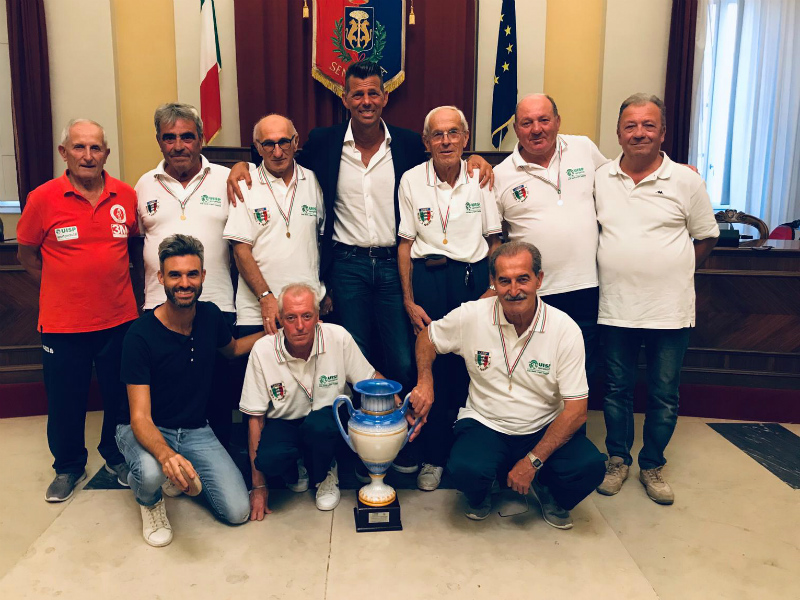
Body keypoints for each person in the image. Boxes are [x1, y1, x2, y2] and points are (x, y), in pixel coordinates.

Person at [226, 62, 493, 408]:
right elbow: (278, 156)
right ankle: (361, 432)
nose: (366, 101)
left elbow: (446, 157)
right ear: (345, 99)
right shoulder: (324, 142)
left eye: (373, 93)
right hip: (347, 266)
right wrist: (241, 165)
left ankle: (400, 427)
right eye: (358, 94)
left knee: (403, 357)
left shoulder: (408, 143)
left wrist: (476, 160)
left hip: (393, 263)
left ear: (384, 97)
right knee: (354, 356)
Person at [410, 242, 606, 526]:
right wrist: (425, 381)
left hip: (543, 425)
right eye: (505, 281)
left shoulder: (564, 329)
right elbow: (427, 337)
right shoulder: (473, 315)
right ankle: (484, 491)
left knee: (589, 467)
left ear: (539, 279)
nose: (514, 290)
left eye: (523, 279)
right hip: (486, 422)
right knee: (465, 469)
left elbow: (576, 411)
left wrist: (533, 461)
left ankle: (548, 488)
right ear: (493, 282)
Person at [594, 94, 719, 505]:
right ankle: (617, 460)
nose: (639, 133)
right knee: (616, 390)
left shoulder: (686, 180)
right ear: (618, 133)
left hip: (669, 310)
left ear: (663, 132)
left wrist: (675, 269)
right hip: (616, 307)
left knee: (664, 393)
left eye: (648, 125)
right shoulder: (600, 178)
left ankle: (652, 465)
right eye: (630, 125)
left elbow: (706, 237)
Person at [16, 118, 138, 502]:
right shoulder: (42, 198)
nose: (88, 155)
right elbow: (26, 256)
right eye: (79, 147)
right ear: (64, 152)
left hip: (119, 320)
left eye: (95, 148)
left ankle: (115, 455)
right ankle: (68, 466)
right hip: (62, 324)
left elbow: (134, 248)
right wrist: (60, 287)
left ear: (106, 153)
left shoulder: (126, 196)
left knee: (120, 397)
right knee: (65, 401)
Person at [116, 234, 264, 547]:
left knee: (238, 511)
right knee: (150, 473)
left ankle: (170, 471)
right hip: (143, 427)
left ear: (203, 276)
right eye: (175, 275)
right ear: (161, 278)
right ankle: (148, 497)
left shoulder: (210, 316)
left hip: (195, 430)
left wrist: (275, 331)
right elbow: (140, 417)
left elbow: (233, 349)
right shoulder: (139, 335)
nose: (184, 283)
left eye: (192, 274)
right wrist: (166, 455)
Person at [397, 105, 501, 491]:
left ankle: (461, 453)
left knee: (468, 367)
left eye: (453, 133)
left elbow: (495, 241)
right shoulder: (411, 180)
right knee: (428, 367)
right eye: (437, 135)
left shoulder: (480, 177)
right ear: (426, 142)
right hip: (427, 280)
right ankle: (432, 457)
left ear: (465, 138)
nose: (446, 141)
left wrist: (492, 291)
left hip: (472, 282)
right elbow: (404, 244)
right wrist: (409, 300)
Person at [133, 103, 237, 448]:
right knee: (166, 398)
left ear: (202, 139)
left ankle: (218, 462)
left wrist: (243, 166)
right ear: (159, 141)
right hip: (159, 308)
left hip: (217, 305)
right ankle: (170, 460)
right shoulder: (144, 185)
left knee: (217, 397)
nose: (179, 145)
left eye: (187, 137)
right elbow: (135, 245)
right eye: (170, 138)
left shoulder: (227, 178)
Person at [240, 283, 386, 518]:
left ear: (318, 317)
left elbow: (369, 379)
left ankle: (326, 471)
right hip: (285, 420)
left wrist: (398, 403)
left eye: (307, 316)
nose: (300, 326)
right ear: (280, 319)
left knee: (319, 427)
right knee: (267, 460)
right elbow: (254, 418)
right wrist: (259, 486)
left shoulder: (337, 336)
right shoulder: (262, 350)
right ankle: (297, 464)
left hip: (328, 419)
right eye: (291, 318)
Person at [494, 94, 609, 375]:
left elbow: (618, 179)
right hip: (534, 293)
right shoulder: (500, 175)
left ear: (557, 121)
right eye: (527, 123)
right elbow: (492, 240)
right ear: (516, 129)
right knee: (537, 373)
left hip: (587, 287)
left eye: (544, 120)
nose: (536, 129)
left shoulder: (583, 148)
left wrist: (668, 168)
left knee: (582, 374)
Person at [223, 114, 325, 337]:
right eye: (269, 144)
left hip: (306, 310)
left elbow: (323, 242)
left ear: (296, 142)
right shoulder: (244, 185)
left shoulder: (314, 181)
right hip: (258, 312)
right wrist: (265, 297)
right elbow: (240, 251)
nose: (277, 152)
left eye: (284, 142)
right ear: (258, 147)